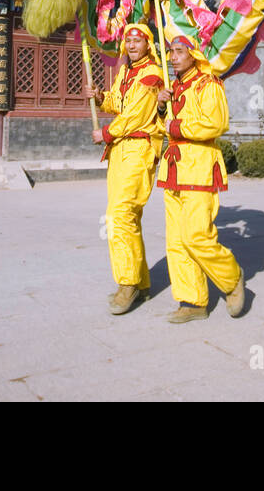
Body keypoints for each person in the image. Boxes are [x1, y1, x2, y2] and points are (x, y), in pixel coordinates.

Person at [154, 34, 246, 323]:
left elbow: (216, 123)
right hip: (174, 168)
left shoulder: (209, 84)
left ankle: (231, 278)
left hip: (199, 166)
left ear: (194, 54)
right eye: (170, 52)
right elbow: (163, 127)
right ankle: (192, 301)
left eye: (179, 51)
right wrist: (159, 107)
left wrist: (176, 126)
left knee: (197, 235)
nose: (173, 57)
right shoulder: (172, 88)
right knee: (176, 241)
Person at [91, 23, 165, 315]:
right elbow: (119, 103)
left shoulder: (152, 75)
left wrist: (106, 133)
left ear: (148, 44)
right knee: (126, 216)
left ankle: (128, 282)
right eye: (129, 40)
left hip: (138, 147)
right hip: (120, 151)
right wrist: (100, 97)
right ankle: (143, 282)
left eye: (138, 40)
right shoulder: (125, 72)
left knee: (119, 215)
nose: (132, 45)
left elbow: (135, 116)